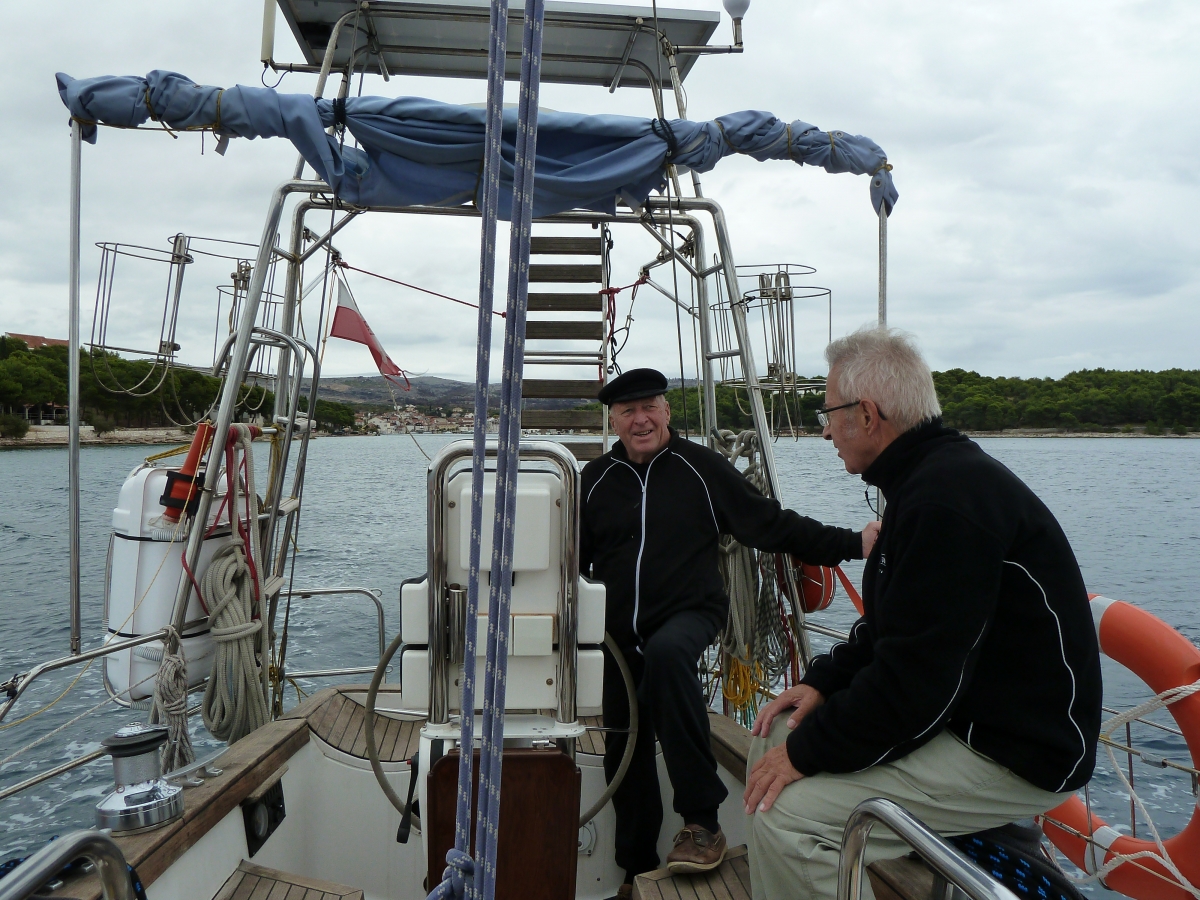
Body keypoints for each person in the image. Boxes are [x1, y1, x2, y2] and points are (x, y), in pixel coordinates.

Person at [743, 328, 1102, 899]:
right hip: (965, 714)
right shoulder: (925, 483)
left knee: (789, 817)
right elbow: (891, 630)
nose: (825, 430)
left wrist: (808, 754)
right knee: (774, 737)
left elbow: (918, 681)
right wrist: (823, 684)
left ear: (867, 415)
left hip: (1017, 747)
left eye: (828, 414)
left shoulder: (946, 502)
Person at [579, 367, 879, 897]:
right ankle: (634, 869)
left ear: (666, 411)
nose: (640, 419)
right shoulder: (595, 480)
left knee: (669, 656)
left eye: (649, 407)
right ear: (614, 420)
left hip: (689, 613)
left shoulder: (701, 469)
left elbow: (771, 524)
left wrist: (853, 543)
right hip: (617, 636)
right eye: (627, 411)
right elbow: (569, 559)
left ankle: (702, 823)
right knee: (624, 748)